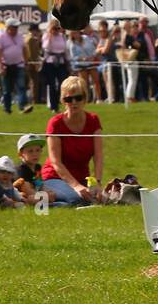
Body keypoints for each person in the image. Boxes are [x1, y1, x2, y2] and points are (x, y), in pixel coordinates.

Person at [41, 77, 103, 207]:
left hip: (82, 178)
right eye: (68, 99)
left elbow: (98, 156)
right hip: (55, 177)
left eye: (78, 98)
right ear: (63, 101)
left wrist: (97, 182)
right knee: (77, 199)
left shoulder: (93, 120)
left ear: (85, 98)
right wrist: (76, 186)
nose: (73, 102)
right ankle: (43, 201)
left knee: (99, 198)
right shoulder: (55, 123)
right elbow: (55, 162)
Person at [0, 19, 32, 114]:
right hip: (6, 66)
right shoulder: (1, 37)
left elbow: (24, 49)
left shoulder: (20, 36)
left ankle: (23, 106)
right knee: (7, 89)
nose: (16, 29)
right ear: (8, 27)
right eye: (14, 27)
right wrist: (1, 67)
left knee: (21, 86)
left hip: (19, 65)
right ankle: (7, 109)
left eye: (17, 27)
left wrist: (26, 62)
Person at [40, 18, 69, 111]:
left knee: (62, 83)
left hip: (60, 62)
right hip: (50, 62)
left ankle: (60, 101)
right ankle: (54, 106)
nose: (56, 30)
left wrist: (68, 60)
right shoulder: (46, 36)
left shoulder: (62, 36)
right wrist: (49, 36)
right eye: (54, 28)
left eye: (58, 28)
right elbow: (45, 47)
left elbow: (65, 49)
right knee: (52, 85)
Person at [23, 23, 43, 108]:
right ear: (33, 30)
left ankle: (34, 100)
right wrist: (35, 63)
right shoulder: (30, 39)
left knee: (33, 82)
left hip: (31, 63)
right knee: (34, 83)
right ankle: (34, 100)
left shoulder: (28, 38)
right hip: (32, 64)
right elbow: (31, 53)